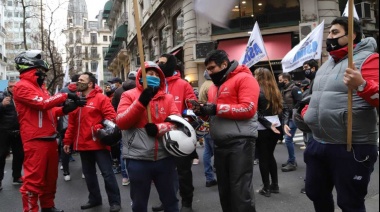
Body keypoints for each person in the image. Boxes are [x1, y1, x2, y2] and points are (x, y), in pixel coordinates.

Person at [303, 17, 379, 212]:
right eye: (329, 33)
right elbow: (317, 98)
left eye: (335, 33)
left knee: (350, 202)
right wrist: (307, 112)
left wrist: (362, 84)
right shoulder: (326, 65)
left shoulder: (370, 59)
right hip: (318, 143)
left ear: (351, 35)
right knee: (315, 193)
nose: (330, 37)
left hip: (351, 146)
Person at [12, 50, 85, 212]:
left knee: (50, 179)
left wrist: (66, 109)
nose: (44, 74)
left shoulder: (40, 88)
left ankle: (47, 206)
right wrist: (65, 96)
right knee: (33, 181)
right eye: (42, 72)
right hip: (35, 140)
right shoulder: (21, 87)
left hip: (50, 138)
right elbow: (44, 104)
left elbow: (49, 111)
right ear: (33, 68)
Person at [192, 50, 259, 212]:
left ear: (224, 64)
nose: (209, 72)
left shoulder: (245, 79)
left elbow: (248, 109)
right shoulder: (215, 87)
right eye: (207, 69)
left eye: (212, 68)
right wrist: (203, 112)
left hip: (241, 142)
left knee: (240, 191)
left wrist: (215, 108)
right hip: (220, 142)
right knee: (225, 190)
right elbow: (216, 115)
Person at [116, 61, 180, 212]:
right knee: (139, 204)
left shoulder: (167, 98)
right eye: (150, 74)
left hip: (165, 157)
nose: (154, 77)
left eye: (157, 75)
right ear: (140, 76)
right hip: (138, 159)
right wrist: (140, 103)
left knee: (171, 201)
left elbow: (177, 122)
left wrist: (159, 128)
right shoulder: (128, 95)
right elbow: (121, 122)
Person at [63, 72, 121, 212]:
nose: (78, 82)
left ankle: (115, 202)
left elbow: (111, 117)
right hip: (83, 145)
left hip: (99, 144)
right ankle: (94, 199)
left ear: (90, 84)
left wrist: (97, 128)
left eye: (81, 80)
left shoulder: (101, 98)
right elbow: (71, 124)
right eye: (78, 80)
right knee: (89, 175)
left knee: (107, 173)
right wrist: (67, 141)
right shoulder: (76, 100)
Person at [152, 54, 198, 212]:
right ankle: (166, 201)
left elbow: (192, 106)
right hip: (159, 135)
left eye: (162, 63)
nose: (159, 65)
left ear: (171, 64)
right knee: (164, 173)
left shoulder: (183, 84)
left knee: (184, 172)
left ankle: (187, 203)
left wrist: (185, 121)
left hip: (179, 136)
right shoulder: (155, 84)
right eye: (157, 63)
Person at [253, 68, 283, 197]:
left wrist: (268, 125)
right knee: (270, 155)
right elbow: (282, 109)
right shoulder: (275, 90)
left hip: (263, 127)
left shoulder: (256, 90)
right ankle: (274, 185)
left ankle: (266, 188)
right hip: (276, 125)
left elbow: (256, 112)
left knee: (263, 158)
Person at [112, 71, 136, 186]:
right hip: (136, 124)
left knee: (123, 149)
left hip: (122, 122)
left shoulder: (118, 91)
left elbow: (114, 107)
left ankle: (125, 177)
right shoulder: (138, 91)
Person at [0, 80, 24, 191]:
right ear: (7, 87)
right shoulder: (2, 97)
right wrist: (1, 105)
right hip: (4, 132)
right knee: (1, 156)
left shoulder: (22, 98)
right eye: (10, 87)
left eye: (15, 86)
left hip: (18, 131)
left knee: (19, 155)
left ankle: (17, 176)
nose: (13, 88)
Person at [57, 74, 80, 182]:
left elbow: (58, 106)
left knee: (65, 146)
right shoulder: (83, 89)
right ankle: (86, 171)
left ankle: (66, 171)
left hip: (65, 122)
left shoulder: (63, 90)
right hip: (80, 123)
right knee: (83, 148)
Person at [278, 72, 302, 172]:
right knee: (287, 139)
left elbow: (300, 101)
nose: (279, 82)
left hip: (292, 117)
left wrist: (293, 111)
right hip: (286, 117)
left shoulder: (294, 89)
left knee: (288, 139)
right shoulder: (284, 89)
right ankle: (291, 160)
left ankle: (292, 162)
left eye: (280, 80)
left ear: (286, 80)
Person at [198, 70, 217, 187]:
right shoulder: (212, 85)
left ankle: (209, 177)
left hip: (205, 120)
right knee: (216, 151)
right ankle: (217, 176)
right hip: (213, 120)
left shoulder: (204, 85)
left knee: (207, 151)